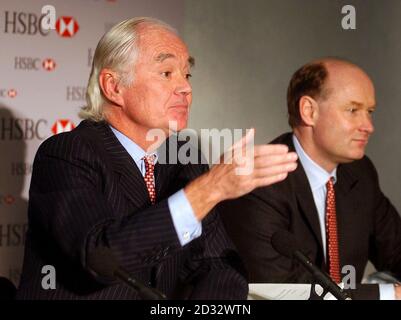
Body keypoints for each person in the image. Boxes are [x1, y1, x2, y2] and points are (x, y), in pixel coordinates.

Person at [16, 17, 298, 299]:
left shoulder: (184, 160)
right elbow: (100, 256)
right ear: (113, 87)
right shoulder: (67, 154)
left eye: (186, 75)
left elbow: (218, 264)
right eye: (166, 73)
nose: (186, 89)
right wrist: (210, 189)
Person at [220, 58, 401, 300]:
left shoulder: (361, 172)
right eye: (353, 110)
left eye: (369, 112)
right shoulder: (258, 182)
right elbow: (281, 291)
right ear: (309, 111)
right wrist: (390, 295)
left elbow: (396, 249)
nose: (368, 126)